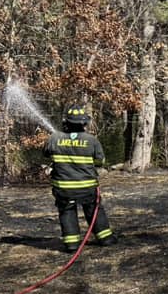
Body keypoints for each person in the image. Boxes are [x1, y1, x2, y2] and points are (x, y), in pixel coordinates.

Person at [44, 105, 118, 251]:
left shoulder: (55, 138)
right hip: (87, 187)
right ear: (84, 123)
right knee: (94, 210)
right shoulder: (91, 140)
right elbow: (100, 162)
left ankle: (72, 244)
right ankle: (105, 239)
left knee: (67, 212)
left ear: (66, 122)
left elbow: (46, 154)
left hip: (63, 188)